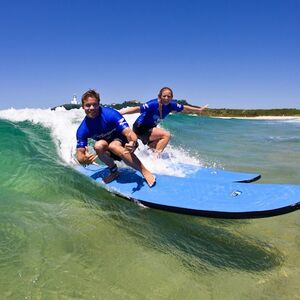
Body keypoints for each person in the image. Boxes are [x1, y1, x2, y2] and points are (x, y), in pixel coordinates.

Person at [76, 89, 156, 187]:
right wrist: (84, 159)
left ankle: (144, 171)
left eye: (95, 104)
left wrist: (133, 142)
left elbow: (129, 133)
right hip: (109, 151)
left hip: (125, 144)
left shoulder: (110, 114)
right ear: (83, 107)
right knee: (98, 146)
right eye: (88, 105)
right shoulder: (83, 129)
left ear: (99, 104)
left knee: (114, 145)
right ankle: (114, 171)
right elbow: (79, 154)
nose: (92, 108)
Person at [120, 87, 208, 157]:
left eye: (169, 96)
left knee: (156, 145)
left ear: (171, 97)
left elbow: (184, 107)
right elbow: (137, 109)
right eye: (164, 96)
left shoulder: (171, 105)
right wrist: (120, 113)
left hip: (150, 128)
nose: (166, 98)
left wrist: (198, 110)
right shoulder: (153, 104)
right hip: (140, 127)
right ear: (160, 96)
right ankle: (155, 159)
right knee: (166, 135)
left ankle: (145, 157)